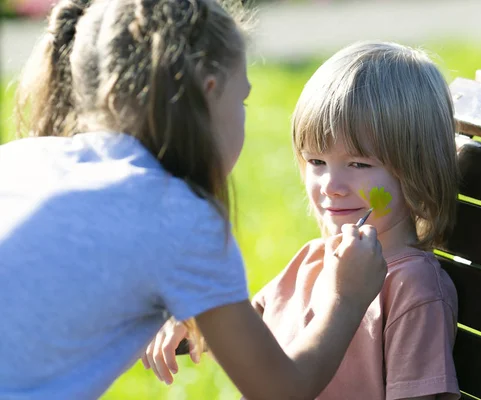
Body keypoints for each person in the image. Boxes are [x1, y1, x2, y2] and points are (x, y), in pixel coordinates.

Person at [0, 1, 388, 398]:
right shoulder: (180, 216)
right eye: (242, 101)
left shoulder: (23, 158)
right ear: (210, 94)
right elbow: (281, 391)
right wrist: (346, 297)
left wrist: (196, 314)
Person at [146, 41, 461, 399]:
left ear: (417, 168)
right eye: (316, 162)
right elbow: (248, 335)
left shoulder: (412, 287)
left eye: (359, 164)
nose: (332, 185)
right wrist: (192, 326)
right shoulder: (313, 259)